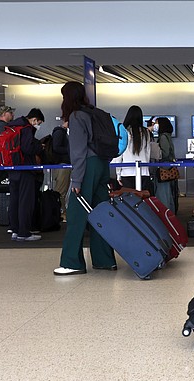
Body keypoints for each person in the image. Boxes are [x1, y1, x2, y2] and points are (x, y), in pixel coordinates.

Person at [54, 81, 116, 276]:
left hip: (87, 167)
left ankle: (72, 263)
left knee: (76, 215)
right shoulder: (95, 113)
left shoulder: (76, 116)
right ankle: (105, 260)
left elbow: (79, 152)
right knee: (101, 215)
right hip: (102, 165)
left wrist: (77, 181)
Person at [7, 108, 45, 242]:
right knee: (25, 201)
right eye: (38, 122)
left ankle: (15, 230)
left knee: (14, 200)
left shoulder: (12, 126)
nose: (38, 125)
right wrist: (39, 147)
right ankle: (24, 232)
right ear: (34, 119)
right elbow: (27, 148)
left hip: (12, 167)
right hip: (25, 168)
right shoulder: (26, 128)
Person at [114, 106, 153, 194]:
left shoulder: (124, 132)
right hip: (144, 172)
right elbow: (148, 153)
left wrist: (118, 174)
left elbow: (120, 154)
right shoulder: (146, 132)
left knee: (129, 202)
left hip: (127, 173)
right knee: (142, 200)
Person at [155, 117, 177, 212]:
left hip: (164, 168)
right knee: (169, 193)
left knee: (163, 192)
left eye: (156, 123)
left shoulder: (163, 137)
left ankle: (165, 212)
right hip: (168, 167)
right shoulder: (168, 136)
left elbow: (165, 153)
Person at [52, 120, 71, 222]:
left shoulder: (62, 132)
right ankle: (61, 213)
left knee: (62, 190)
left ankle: (61, 212)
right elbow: (56, 148)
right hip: (62, 165)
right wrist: (69, 150)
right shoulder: (60, 132)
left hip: (64, 164)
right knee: (61, 191)